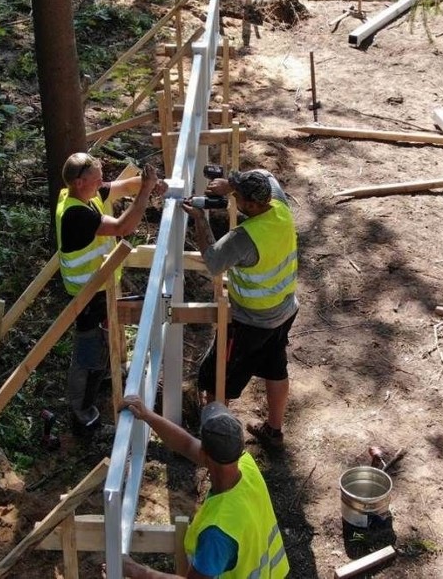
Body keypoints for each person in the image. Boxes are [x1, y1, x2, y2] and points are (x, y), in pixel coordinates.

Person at [182, 170, 298, 447]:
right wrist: (232, 184)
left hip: (251, 322)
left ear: (254, 204)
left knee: (218, 379)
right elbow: (269, 174)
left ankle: (216, 442)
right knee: (275, 368)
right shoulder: (280, 208)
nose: (237, 202)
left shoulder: (244, 237)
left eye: (239, 199)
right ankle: (274, 430)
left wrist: (199, 218)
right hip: (284, 311)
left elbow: (213, 261)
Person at [55, 152, 165, 436]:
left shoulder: (84, 196)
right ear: (80, 182)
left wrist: (151, 182)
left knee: (102, 344)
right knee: (88, 353)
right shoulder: (76, 214)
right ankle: (83, 418)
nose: (103, 181)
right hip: (87, 294)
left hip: (99, 289)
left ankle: (102, 378)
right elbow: (123, 228)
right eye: (97, 176)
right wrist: (146, 192)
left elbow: (124, 187)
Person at [120, 395, 289, 579]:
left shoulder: (217, 534)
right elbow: (186, 444)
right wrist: (148, 416)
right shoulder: (245, 464)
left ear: (205, 455)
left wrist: (137, 571)